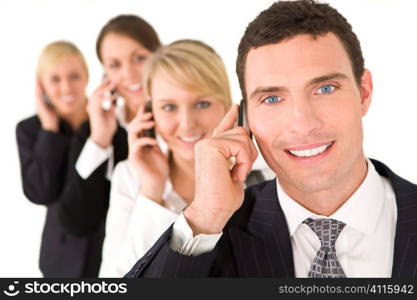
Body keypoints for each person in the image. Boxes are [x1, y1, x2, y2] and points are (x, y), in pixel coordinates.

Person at [126, 0, 417, 278]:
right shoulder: (213, 233)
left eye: (325, 89)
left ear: (364, 92)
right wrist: (205, 214)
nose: (302, 124)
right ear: (245, 118)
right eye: (273, 98)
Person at [99, 40, 273, 277]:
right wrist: (152, 193)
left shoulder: (267, 173)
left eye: (202, 103)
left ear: (226, 106)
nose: (187, 123)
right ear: (150, 114)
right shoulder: (130, 177)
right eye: (169, 107)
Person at [56, 15, 161, 276]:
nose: (129, 73)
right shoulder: (93, 129)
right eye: (115, 64)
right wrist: (100, 140)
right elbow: (75, 220)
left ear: (159, 55)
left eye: (139, 58)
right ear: (105, 74)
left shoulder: (182, 125)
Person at [16, 41, 90, 276]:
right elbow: (40, 193)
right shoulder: (30, 130)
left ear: (87, 77)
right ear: (42, 85)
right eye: (55, 79)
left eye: (74, 76)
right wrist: (50, 130)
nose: (66, 87)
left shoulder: (108, 121)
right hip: (61, 256)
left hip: (109, 247)